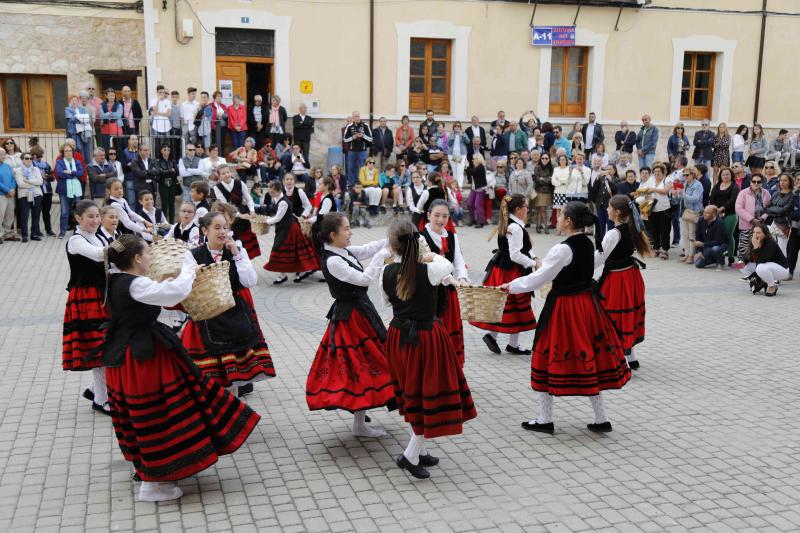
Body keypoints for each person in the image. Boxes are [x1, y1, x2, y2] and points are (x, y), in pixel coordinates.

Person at [102, 234, 260, 502]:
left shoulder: (116, 279)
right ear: (138, 259)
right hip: (142, 357)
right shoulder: (134, 284)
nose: (151, 258)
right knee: (158, 412)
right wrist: (188, 267)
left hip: (130, 353)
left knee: (151, 411)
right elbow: (173, 293)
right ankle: (154, 484)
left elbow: (163, 292)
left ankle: (150, 469)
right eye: (147, 254)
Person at [506, 201, 631, 434]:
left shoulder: (562, 249)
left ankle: (545, 419)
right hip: (587, 305)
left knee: (544, 355)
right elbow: (592, 264)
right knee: (589, 356)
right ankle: (601, 418)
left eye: (561, 215)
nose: (558, 218)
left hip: (564, 308)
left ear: (569, 221)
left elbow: (539, 279)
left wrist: (510, 286)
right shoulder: (587, 242)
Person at [381, 219, 477, 479]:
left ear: (392, 246)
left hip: (399, 336)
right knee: (428, 393)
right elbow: (446, 265)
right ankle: (411, 455)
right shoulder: (434, 269)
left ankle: (418, 450)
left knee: (414, 392)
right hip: (426, 338)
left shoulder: (385, 272)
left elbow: (387, 299)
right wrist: (429, 255)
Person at [305, 213, 394, 433]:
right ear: (333, 235)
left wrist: (393, 237)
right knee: (360, 367)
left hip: (360, 312)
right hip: (351, 319)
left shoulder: (341, 251)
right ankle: (359, 425)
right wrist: (383, 255)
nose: (350, 231)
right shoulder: (332, 260)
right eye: (346, 229)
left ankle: (359, 424)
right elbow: (363, 279)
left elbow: (366, 249)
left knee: (364, 367)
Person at [182, 211, 275, 394]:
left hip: (234, 317)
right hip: (207, 319)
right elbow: (184, 285)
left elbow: (250, 281)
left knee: (234, 378)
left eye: (225, 227)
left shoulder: (237, 251)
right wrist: (193, 273)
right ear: (204, 230)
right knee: (209, 379)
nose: (222, 231)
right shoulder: (193, 255)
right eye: (217, 227)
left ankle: (234, 413)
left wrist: (237, 254)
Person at [471, 195, 539, 355]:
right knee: (512, 304)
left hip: (505, 268)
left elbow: (524, 249)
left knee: (510, 305)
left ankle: (507, 342)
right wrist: (533, 263)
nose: (528, 209)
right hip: (510, 270)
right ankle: (501, 339)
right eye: (526, 207)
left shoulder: (512, 224)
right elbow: (516, 254)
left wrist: (534, 257)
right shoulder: (515, 227)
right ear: (518, 209)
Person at [62, 201, 109, 413]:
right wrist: (125, 246)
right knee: (99, 350)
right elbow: (100, 255)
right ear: (78, 219)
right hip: (85, 299)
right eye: (90, 216)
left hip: (101, 296)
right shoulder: (75, 240)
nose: (96, 220)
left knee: (106, 346)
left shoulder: (98, 236)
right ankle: (101, 399)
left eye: (98, 216)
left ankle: (95, 390)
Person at [594, 195, 651, 368]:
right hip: (630, 276)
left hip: (618, 279)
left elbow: (599, 258)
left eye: (609, 207)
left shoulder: (614, 233)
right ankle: (631, 357)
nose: (606, 210)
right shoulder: (630, 226)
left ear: (617, 212)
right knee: (628, 315)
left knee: (615, 315)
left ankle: (622, 360)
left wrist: (578, 266)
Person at [422, 200, 469, 365]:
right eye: (437, 215)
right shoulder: (421, 238)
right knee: (433, 334)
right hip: (429, 293)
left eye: (445, 216)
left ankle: (451, 372)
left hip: (449, 293)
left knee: (449, 332)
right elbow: (430, 266)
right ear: (428, 215)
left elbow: (459, 261)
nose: (441, 220)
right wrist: (452, 280)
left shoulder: (451, 236)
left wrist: (462, 278)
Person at [258, 179, 320, 283]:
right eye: (270, 191)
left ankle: (292, 273)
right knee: (293, 251)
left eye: (272, 192)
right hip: (286, 227)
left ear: (278, 190)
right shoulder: (279, 198)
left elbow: (278, 218)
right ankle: (291, 273)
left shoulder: (283, 202)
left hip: (288, 229)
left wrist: (266, 221)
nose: (270, 193)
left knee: (279, 249)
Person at [212, 164, 260, 259]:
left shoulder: (240, 183)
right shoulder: (217, 187)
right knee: (233, 243)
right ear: (219, 176)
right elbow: (225, 205)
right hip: (229, 217)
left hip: (243, 215)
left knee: (246, 244)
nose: (226, 175)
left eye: (228, 172)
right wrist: (240, 215)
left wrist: (252, 210)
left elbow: (248, 198)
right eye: (223, 173)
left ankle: (246, 263)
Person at [636, 163, 673, 259]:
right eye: (655, 171)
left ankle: (664, 249)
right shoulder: (651, 181)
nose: (657, 173)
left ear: (663, 172)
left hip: (664, 208)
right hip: (653, 208)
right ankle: (656, 248)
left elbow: (665, 191)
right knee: (655, 230)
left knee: (665, 230)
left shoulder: (667, 180)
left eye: (659, 171)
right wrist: (646, 194)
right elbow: (647, 192)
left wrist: (654, 190)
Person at [741, 222, 789, 296]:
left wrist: (757, 247)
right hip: (766, 266)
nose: (755, 235)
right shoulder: (754, 241)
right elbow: (750, 255)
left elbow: (763, 259)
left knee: (761, 268)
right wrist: (742, 261)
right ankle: (760, 280)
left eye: (758, 232)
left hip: (782, 269)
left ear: (765, 233)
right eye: (754, 232)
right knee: (740, 265)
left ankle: (772, 285)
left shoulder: (771, 243)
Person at [734, 173, 771, 262]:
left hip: (761, 224)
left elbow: (769, 208)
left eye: (759, 181)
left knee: (759, 244)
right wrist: (751, 219)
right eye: (754, 181)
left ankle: (756, 263)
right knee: (744, 245)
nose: (756, 183)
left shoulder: (766, 193)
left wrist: (762, 218)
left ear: (762, 182)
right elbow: (738, 208)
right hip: (747, 223)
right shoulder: (743, 192)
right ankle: (741, 263)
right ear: (750, 182)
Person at [709, 166, 740, 265]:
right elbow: (712, 199)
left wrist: (721, 209)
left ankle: (730, 257)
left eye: (727, 174)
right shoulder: (717, 185)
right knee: (716, 235)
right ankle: (718, 256)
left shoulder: (735, 186)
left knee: (728, 235)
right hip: (716, 213)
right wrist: (715, 209)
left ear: (731, 176)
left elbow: (732, 200)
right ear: (720, 176)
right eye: (723, 174)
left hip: (730, 214)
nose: (725, 176)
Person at [55, 143, 85, 239]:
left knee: (77, 211)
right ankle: (62, 232)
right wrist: (73, 175)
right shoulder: (60, 162)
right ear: (63, 153)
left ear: (73, 151)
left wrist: (70, 172)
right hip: (64, 190)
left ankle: (78, 231)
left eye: (70, 150)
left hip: (76, 189)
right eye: (66, 151)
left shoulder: (77, 162)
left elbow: (81, 172)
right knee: (64, 212)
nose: (68, 153)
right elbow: (59, 173)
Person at [675, 166, 704, 264]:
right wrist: (676, 194)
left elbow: (695, 199)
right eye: (684, 175)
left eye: (687, 175)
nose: (685, 176)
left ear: (693, 175)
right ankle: (687, 254)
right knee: (685, 234)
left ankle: (691, 256)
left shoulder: (698, 185)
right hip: (685, 212)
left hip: (694, 212)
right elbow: (681, 198)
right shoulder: (685, 184)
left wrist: (682, 195)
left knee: (692, 234)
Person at [764, 173, 794, 255]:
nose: (782, 182)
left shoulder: (792, 196)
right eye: (781, 180)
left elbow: (784, 210)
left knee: (782, 249)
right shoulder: (775, 194)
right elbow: (766, 208)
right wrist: (776, 211)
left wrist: (773, 210)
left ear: (790, 182)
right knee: (772, 247)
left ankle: (784, 267)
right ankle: (775, 266)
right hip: (773, 224)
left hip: (784, 225)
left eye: (785, 180)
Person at [589, 164, 618, 248]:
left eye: (610, 169)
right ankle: (600, 244)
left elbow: (616, 190)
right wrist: (597, 177)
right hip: (600, 205)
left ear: (614, 171)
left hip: (610, 207)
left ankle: (611, 244)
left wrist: (610, 181)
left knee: (610, 225)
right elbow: (594, 189)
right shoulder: (601, 179)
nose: (608, 171)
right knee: (600, 225)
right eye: (607, 169)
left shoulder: (616, 179)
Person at [30, 146, 55, 237]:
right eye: (37, 156)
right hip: (37, 191)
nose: (39, 158)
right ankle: (35, 230)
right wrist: (41, 177)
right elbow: (30, 178)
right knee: (36, 211)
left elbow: (53, 177)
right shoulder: (31, 165)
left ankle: (49, 230)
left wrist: (50, 176)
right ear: (33, 156)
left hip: (47, 190)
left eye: (40, 156)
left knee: (46, 211)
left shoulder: (46, 164)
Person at [693, 205, 728, 270]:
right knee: (698, 264)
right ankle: (715, 259)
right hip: (706, 245)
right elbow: (698, 237)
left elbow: (718, 241)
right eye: (704, 212)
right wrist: (699, 251)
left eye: (707, 213)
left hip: (720, 245)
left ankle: (720, 262)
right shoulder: (701, 220)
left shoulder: (720, 223)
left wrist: (703, 244)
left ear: (714, 214)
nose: (704, 214)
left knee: (715, 249)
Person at [154, 144, 179, 223]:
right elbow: (159, 172)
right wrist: (170, 171)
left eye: (168, 149)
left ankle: (171, 222)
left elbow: (176, 171)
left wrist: (165, 171)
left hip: (172, 184)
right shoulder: (158, 161)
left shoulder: (172, 160)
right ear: (161, 151)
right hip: (163, 184)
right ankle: (164, 223)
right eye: (164, 149)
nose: (167, 151)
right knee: (164, 204)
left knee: (172, 204)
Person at [532, 153, 554, 234]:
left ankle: (538, 226)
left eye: (546, 158)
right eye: (543, 158)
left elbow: (551, 180)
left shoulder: (551, 168)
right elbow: (537, 180)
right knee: (541, 209)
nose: (544, 160)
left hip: (547, 192)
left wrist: (543, 179)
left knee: (541, 209)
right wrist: (546, 179)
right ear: (540, 159)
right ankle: (546, 227)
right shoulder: (537, 167)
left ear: (549, 159)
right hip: (539, 191)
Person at [99, 88, 123, 154]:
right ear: (106, 96)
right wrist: (112, 114)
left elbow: (118, 115)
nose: (112, 97)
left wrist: (108, 114)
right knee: (106, 147)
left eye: (113, 95)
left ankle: (118, 162)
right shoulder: (102, 105)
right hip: (105, 128)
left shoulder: (119, 105)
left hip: (117, 128)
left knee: (118, 147)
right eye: (110, 95)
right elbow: (101, 116)